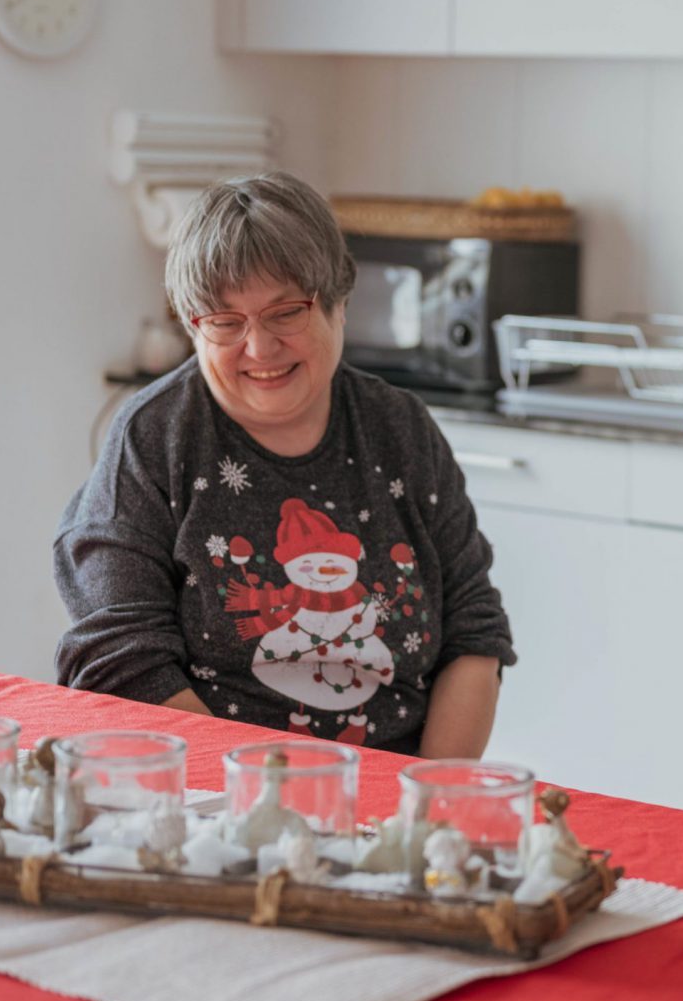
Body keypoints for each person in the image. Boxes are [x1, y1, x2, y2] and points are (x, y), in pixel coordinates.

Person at [55, 171, 514, 757]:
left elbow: (472, 633)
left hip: (392, 797)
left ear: (339, 303)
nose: (259, 347)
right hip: (210, 799)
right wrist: (267, 803)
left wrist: (431, 804)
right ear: (192, 327)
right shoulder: (155, 438)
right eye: (224, 321)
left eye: (286, 312)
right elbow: (122, 660)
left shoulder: (401, 428)